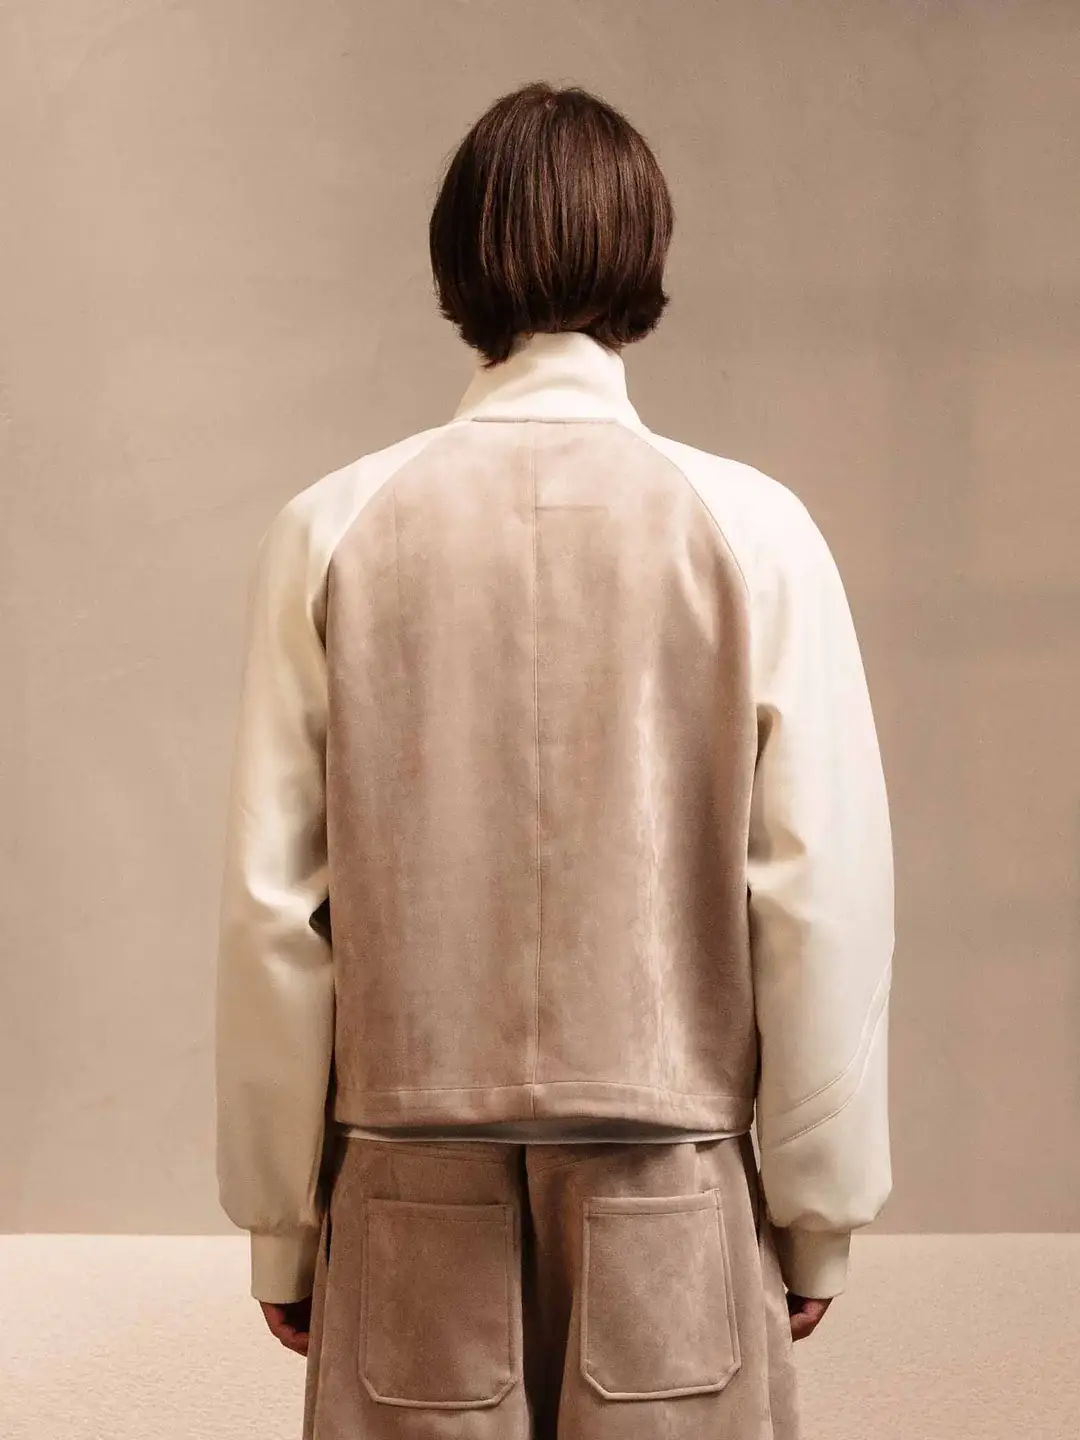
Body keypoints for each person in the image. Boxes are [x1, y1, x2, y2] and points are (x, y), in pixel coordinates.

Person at [214, 79, 894, 1440]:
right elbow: (818, 894)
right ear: (647, 250)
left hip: (403, 1176)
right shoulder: (752, 530)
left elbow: (275, 913)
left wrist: (282, 1221)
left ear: (455, 259)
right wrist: (819, 1208)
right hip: (674, 1177)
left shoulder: (334, 527)